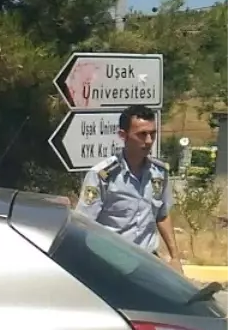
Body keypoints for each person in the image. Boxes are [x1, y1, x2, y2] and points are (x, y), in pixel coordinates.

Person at [74, 104, 182, 271]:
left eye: (152, 134)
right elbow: (84, 223)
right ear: (123, 135)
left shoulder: (159, 173)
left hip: (148, 260)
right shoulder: (102, 175)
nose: (148, 141)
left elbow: (162, 215)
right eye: (141, 134)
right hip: (112, 263)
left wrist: (175, 257)